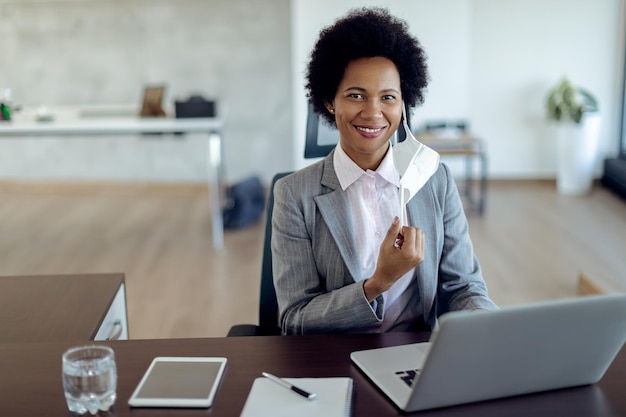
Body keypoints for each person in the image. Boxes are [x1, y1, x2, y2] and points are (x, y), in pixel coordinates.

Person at [272, 7, 497, 335]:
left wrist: (494, 328)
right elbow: (295, 318)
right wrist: (378, 283)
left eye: (388, 97)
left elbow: (463, 288)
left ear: (404, 104)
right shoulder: (295, 194)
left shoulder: (435, 181)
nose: (373, 112)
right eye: (355, 95)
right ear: (330, 101)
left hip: (419, 360)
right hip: (335, 360)